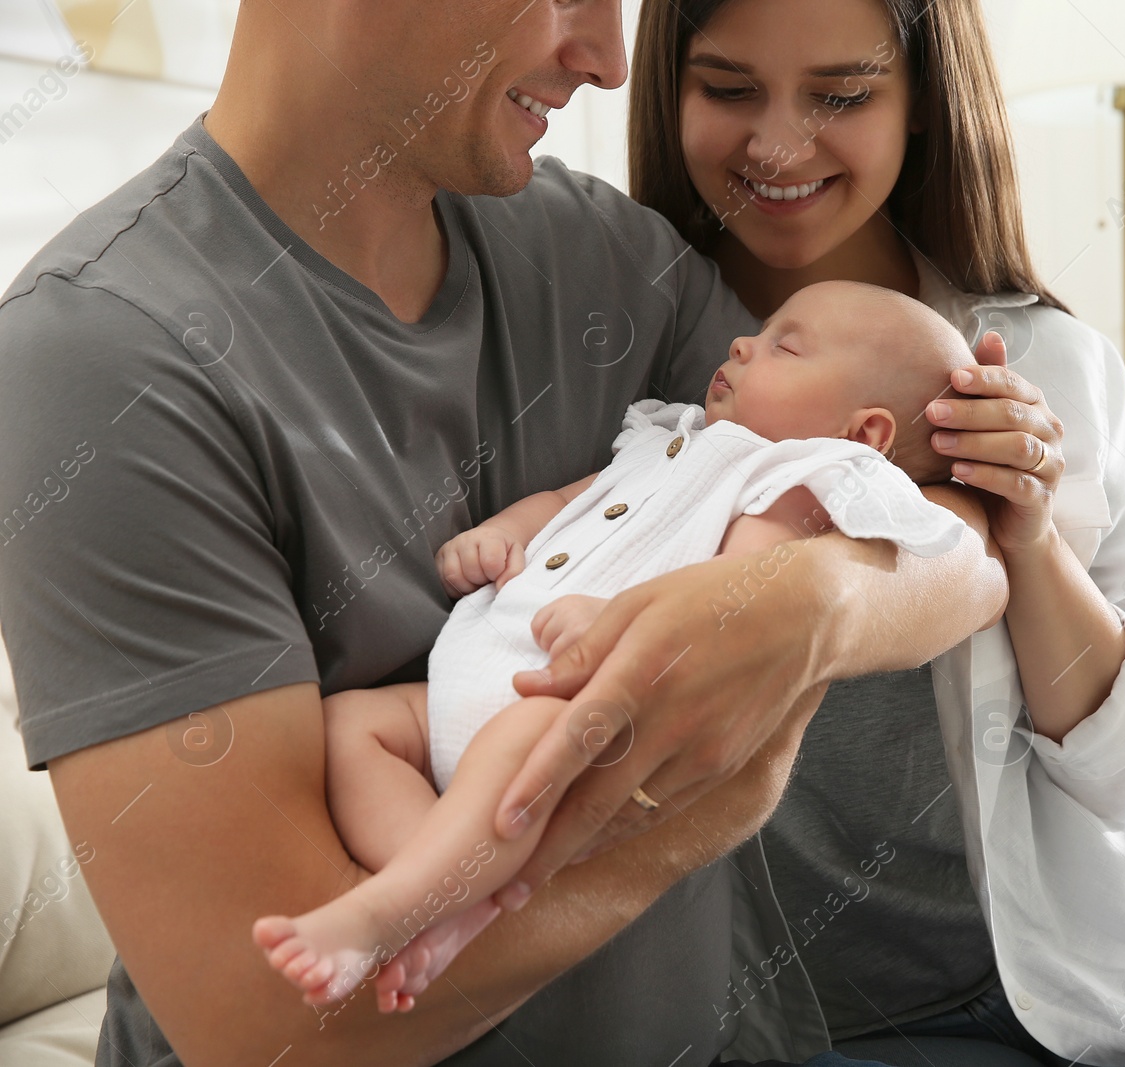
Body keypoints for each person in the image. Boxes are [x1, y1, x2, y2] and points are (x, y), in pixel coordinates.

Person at [0, 2, 1013, 1064]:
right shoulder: (99, 359)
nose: (612, 63)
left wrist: (822, 605)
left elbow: (956, 537)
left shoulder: (604, 256)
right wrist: (718, 801)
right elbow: (284, 1028)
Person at [624, 1, 1125, 1065]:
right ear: (669, 94)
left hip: (1052, 985)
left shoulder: (1043, 365)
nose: (780, 144)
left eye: (841, 94)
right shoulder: (622, 365)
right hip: (762, 1020)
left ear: (924, 102)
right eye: (728, 88)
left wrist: (1026, 538)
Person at [253, 282, 979, 1011]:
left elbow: (731, 598)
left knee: (516, 757)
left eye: (784, 346)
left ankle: (379, 915)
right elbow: (570, 500)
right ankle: (444, 893)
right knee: (353, 725)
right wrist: (503, 534)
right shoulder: (671, 434)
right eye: (759, 330)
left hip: (573, 694)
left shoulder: (792, 483)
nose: (741, 345)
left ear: (864, 435)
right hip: (478, 666)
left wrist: (617, 619)